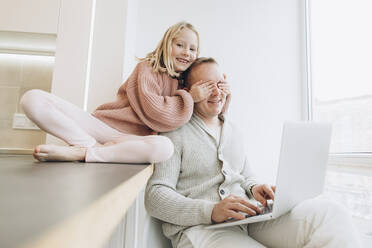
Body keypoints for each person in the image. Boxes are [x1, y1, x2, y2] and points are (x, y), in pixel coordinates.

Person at [145, 57, 362, 248]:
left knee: (331, 215)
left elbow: (246, 176)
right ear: (190, 90)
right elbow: (155, 196)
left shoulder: (232, 130)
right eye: (206, 85)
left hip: (249, 221)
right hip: (200, 230)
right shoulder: (175, 132)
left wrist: (255, 188)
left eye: (220, 84)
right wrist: (211, 210)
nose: (216, 92)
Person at [20, 22, 230, 163]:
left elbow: (208, 117)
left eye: (193, 49)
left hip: (130, 141)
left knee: (165, 148)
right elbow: (156, 113)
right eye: (180, 45)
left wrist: (223, 93)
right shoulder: (147, 68)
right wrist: (191, 97)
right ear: (167, 45)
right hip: (103, 126)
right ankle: (86, 145)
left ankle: (84, 152)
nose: (187, 52)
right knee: (32, 99)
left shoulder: (185, 87)